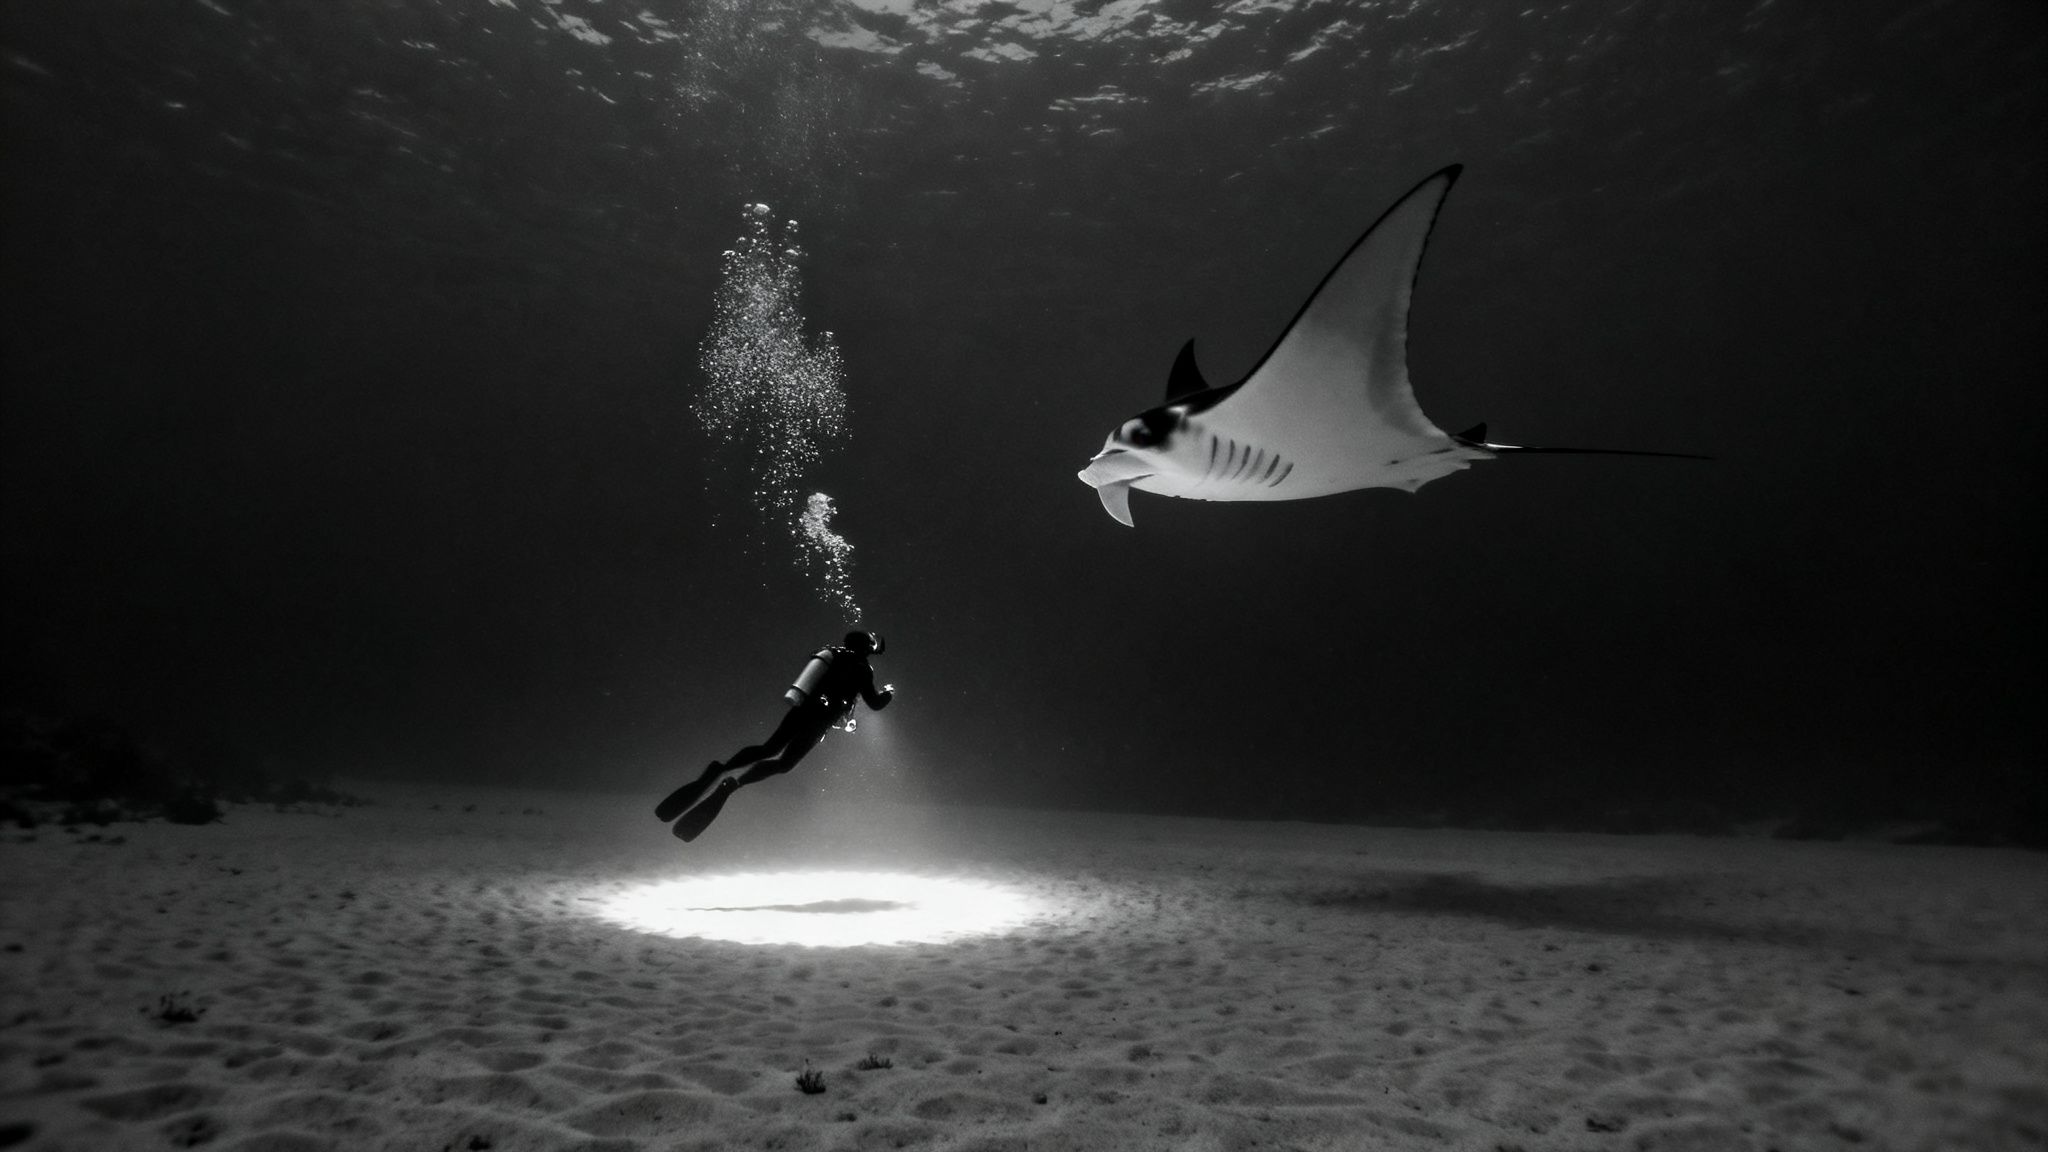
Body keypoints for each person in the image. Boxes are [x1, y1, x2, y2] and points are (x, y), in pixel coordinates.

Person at [656, 631, 894, 841]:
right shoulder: (863, 669)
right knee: (784, 763)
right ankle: (734, 783)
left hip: (801, 710)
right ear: (866, 648)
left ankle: (721, 768)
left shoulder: (832, 654)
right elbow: (874, 703)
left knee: (768, 747)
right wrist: (887, 694)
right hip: (819, 722)